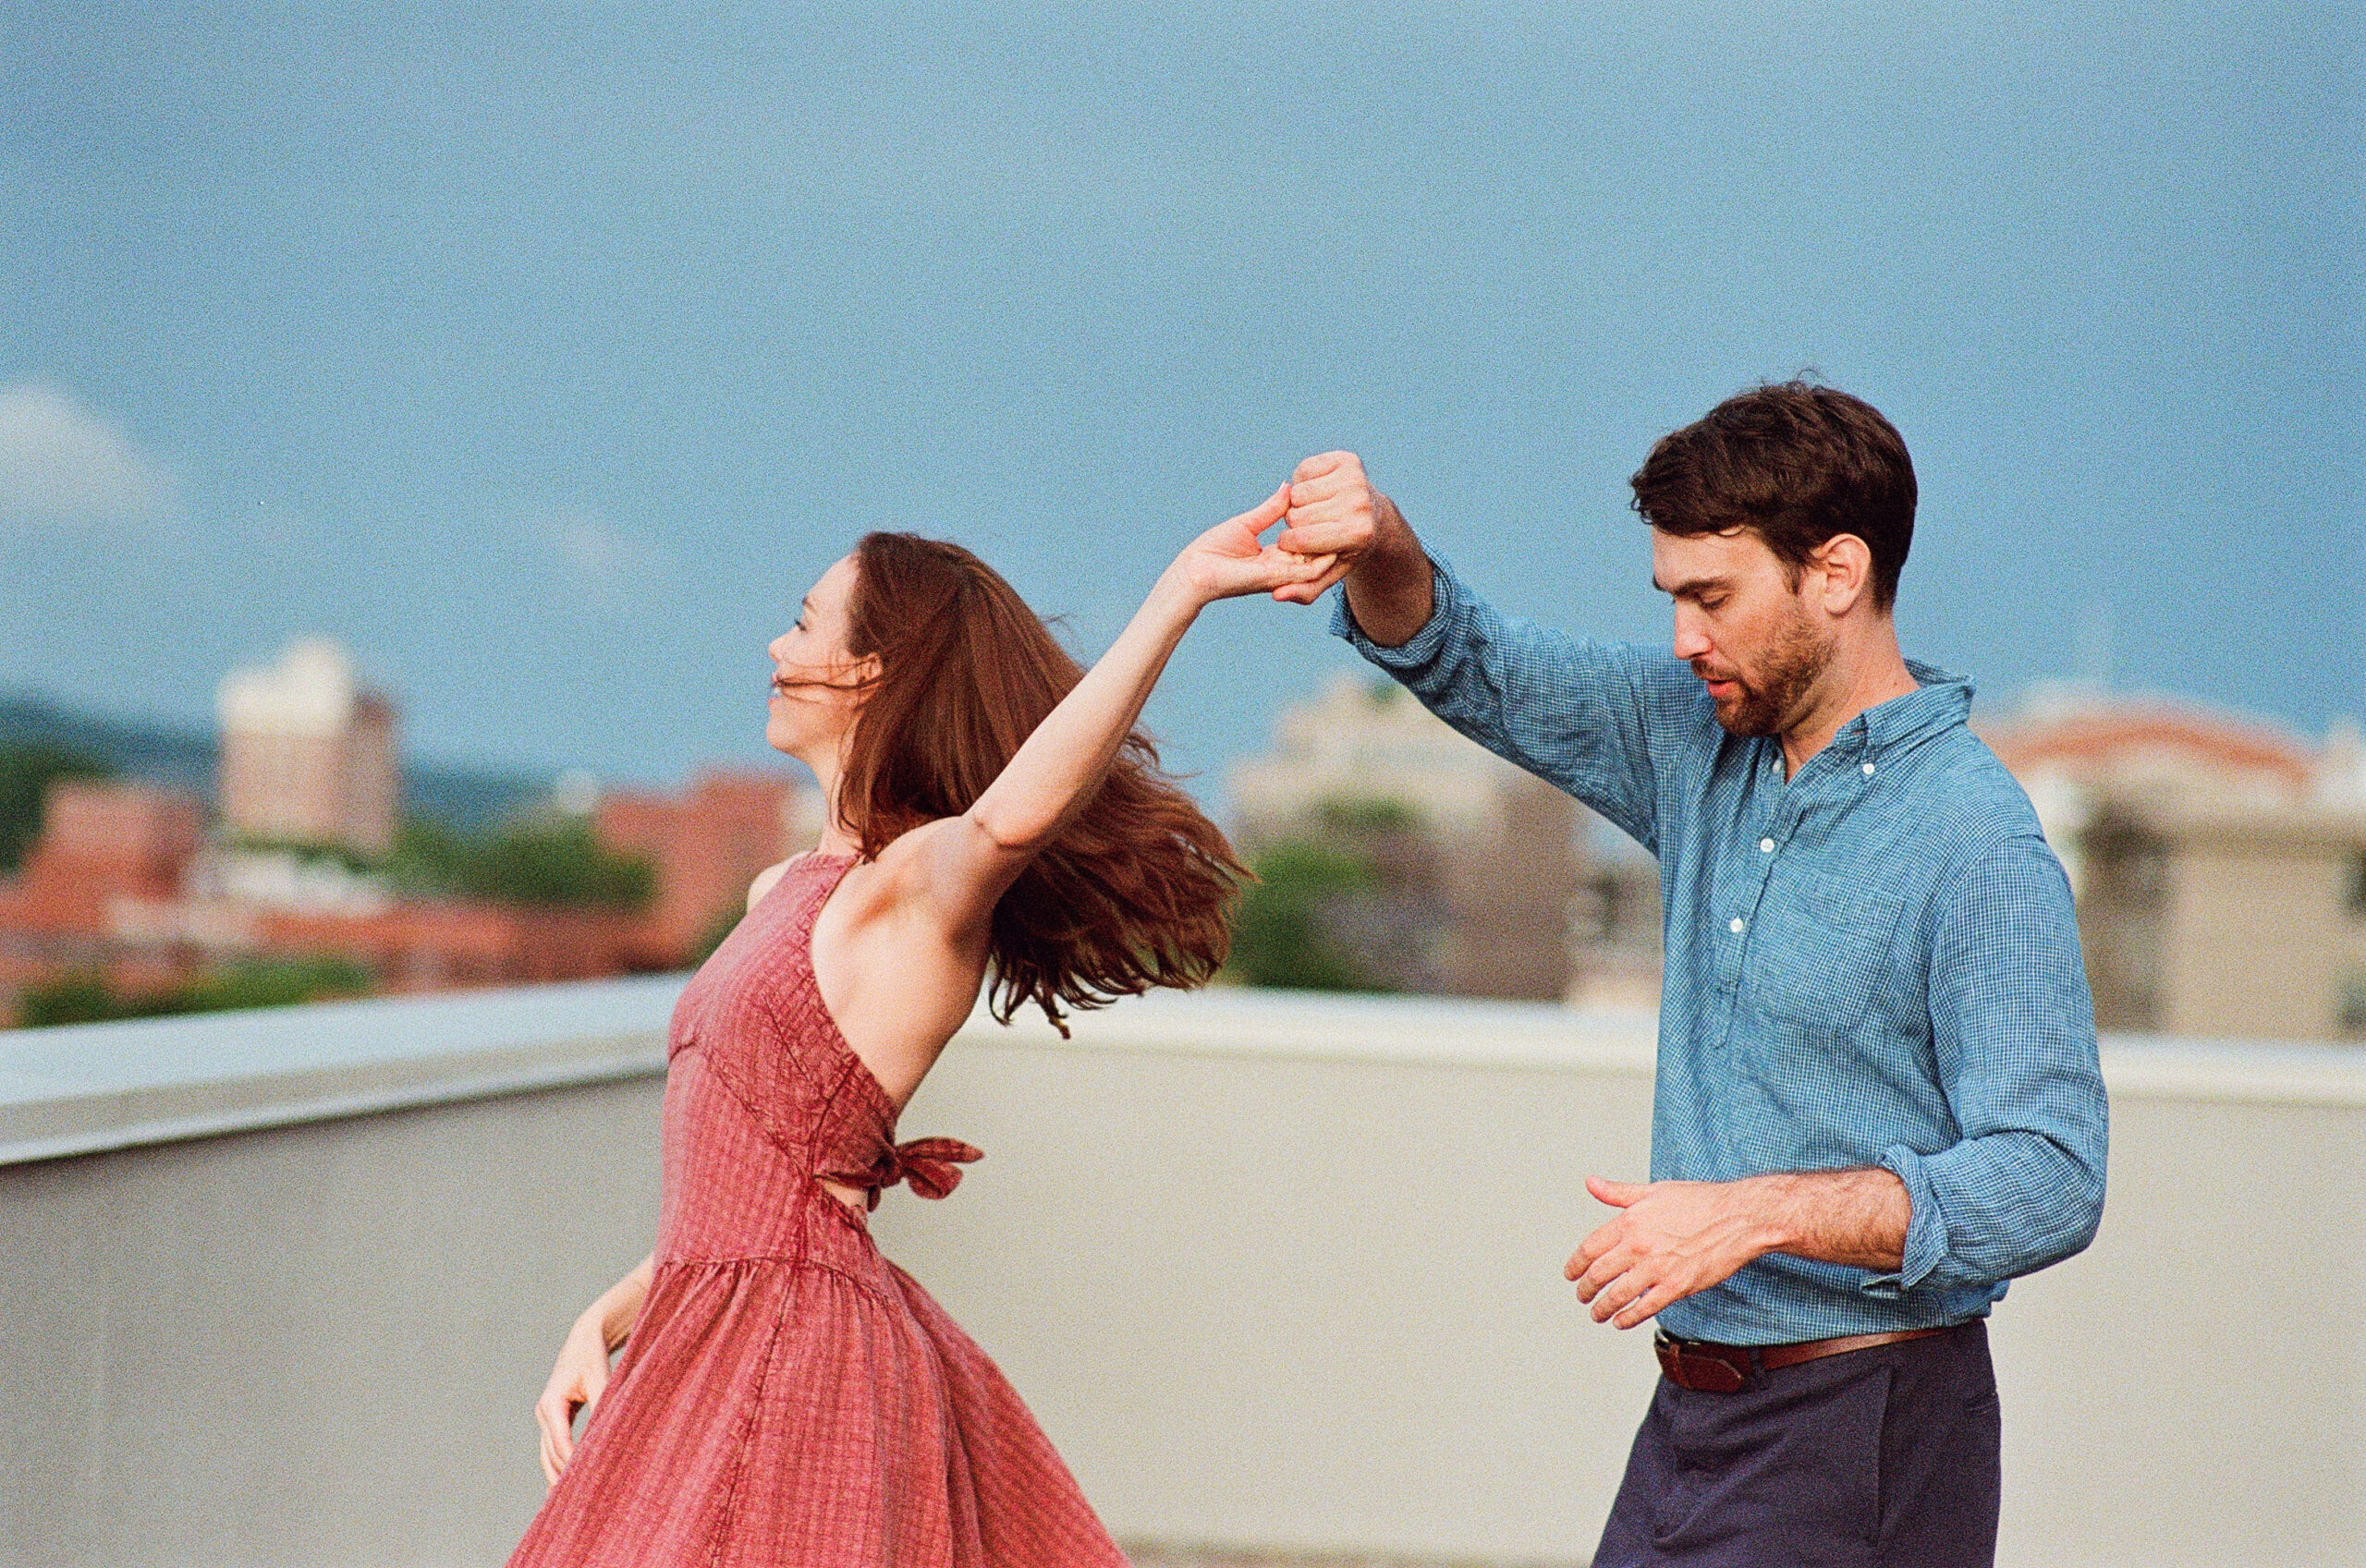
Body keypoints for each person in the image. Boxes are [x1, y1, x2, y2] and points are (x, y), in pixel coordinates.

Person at [1271, 383, 2108, 1568]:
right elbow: (1469, 659)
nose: (1682, 639)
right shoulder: (1693, 736)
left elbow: (2053, 1174)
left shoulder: (1974, 839)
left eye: (1711, 598)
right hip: (1690, 1418)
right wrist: (1383, 542)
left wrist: (1755, 1211)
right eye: (1670, 599)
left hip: (1867, 1425)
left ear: (1835, 573)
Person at [507, 489, 1333, 1567]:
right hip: (710, 1343)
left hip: (798, 1360)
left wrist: (1178, 593)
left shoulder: (912, 891)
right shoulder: (781, 891)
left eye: (803, 620)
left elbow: (1009, 816)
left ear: (869, 669)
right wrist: (609, 1313)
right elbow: (751, 1178)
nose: (772, 641)